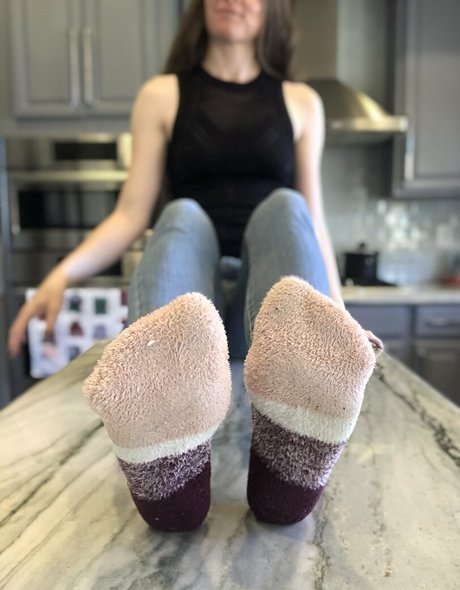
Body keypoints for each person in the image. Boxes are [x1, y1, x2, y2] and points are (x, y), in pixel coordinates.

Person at [9, 0, 383, 531]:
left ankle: (290, 447)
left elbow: (313, 223)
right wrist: (61, 274)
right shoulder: (161, 95)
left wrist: (337, 318)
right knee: (181, 212)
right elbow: (131, 214)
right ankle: (164, 431)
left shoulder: (302, 102)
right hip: (193, 315)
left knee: (286, 205)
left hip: (266, 314)